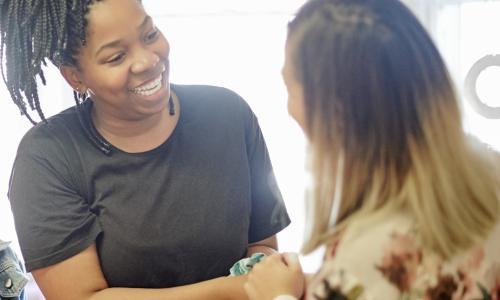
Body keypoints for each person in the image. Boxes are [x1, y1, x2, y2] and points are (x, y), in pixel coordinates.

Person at [1, 0, 290, 299]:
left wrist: (270, 273)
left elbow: (262, 247)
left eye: (150, 35)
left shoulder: (229, 114)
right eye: (116, 57)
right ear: (75, 76)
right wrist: (237, 290)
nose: (148, 61)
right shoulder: (48, 158)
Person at [244, 0, 500, 299]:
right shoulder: (489, 173)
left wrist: (278, 296)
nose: (288, 109)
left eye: (289, 88)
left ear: (335, 115)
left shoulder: (370, 256)